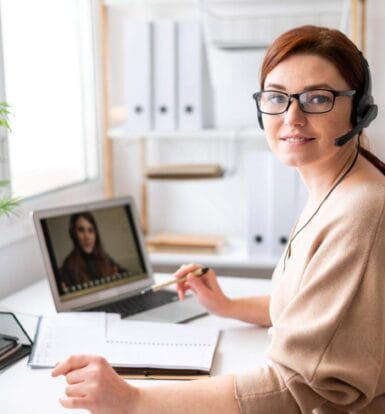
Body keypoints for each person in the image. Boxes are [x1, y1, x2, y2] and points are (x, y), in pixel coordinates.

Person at [51, 25, 385, 413]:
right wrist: (227, 306)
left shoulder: (360, 212)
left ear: (359, 110)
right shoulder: (336, 185)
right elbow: (311, 310)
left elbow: (295, 390)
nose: (292, 116)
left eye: (316, 98)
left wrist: (133, 400)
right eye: (277, 97)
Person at [60, 212, 127, 291]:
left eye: (91, 230)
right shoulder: (68, 266)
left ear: (95, 235)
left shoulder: (104, 257)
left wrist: (118, 279)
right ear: (73, 233)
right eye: (81, 230)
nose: (87, 236)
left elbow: (127, 274)